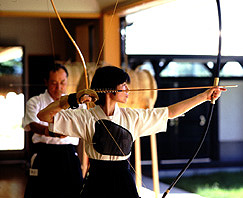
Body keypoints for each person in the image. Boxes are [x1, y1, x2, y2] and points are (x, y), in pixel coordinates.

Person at [37, 66, 226, 198]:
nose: (128, 90)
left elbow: (169, 112)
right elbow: (44, 116)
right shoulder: (85, 117)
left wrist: (204, 96)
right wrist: (70, 100)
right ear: (110, 89)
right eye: (124, 86)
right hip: (96, 180)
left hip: (123, 180)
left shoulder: (132, 117)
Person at [22, 63, 83, 198]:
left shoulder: (76, 104)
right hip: (44, 153)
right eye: (54, 83)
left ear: (67, 81)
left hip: (69, 153)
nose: (59, 87)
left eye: (62, 82)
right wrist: (52, 132)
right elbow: (32, 124)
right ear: (46, 82)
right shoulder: (35, 102)